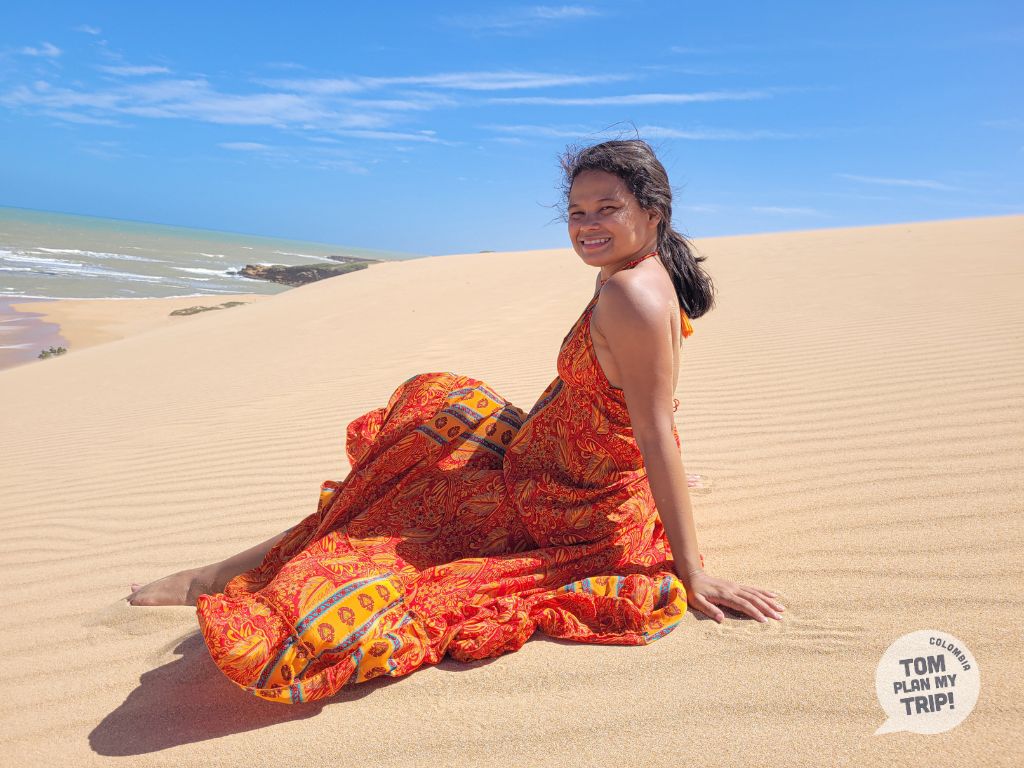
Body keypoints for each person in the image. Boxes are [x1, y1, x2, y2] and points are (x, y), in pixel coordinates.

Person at [127, 139, 784, 704]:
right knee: (440, 405)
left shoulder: (629, 293)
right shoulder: (641, 269)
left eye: (606, 209)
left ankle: (221, 578)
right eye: (577, 211)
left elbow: (650, 424)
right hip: (562, 468)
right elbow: (652, 402)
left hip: (559, 502)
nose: (586, 224)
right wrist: (644, 474)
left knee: (389, 513)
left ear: (652, 213)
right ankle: (227, 570)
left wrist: (692, 572)